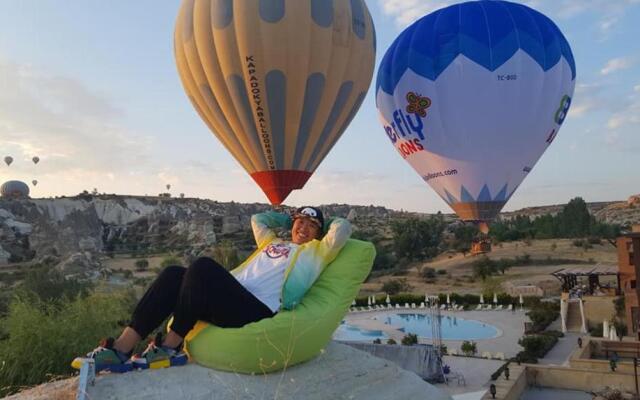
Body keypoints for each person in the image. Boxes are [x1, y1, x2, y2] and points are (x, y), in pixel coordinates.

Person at [72, 206, 352, 372]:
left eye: (312, 225)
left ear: (319, 232)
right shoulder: (271, 243)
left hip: (258, 308)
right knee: (173, 274)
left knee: (203, 267)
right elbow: (258, 219)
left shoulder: (318, 252)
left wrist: (325, 223)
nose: (304, 227)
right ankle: (121, 349)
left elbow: (342, 228)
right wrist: (285, 217)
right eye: (300, 222)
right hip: (231, 296)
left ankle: (169, 348)